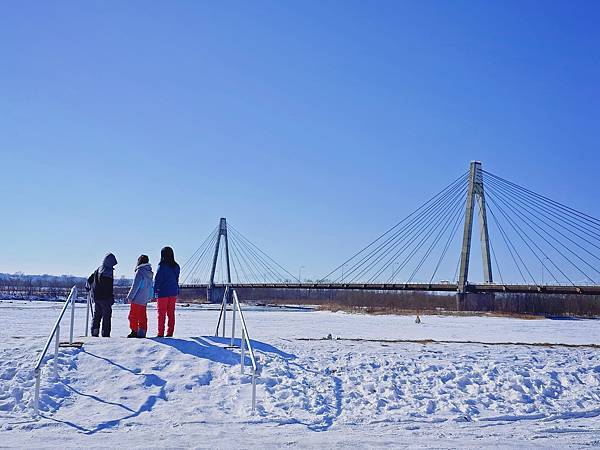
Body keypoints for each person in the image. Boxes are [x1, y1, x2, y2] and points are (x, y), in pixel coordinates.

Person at [86, 253, 118, 337]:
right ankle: (105, 334)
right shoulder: (108, 271)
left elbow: (89, 280)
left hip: (96, 297)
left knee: (97, 315)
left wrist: (88, 288)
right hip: (105, 298)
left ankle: (94, 332)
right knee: (106, 317)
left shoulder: (98, 269)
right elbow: (108, 287)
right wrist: (111, 297)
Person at [154, 246, 180, 337]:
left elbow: (158, 280)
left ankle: (160, 333)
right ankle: (170, 333)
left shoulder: (162, 266)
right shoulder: (176, 266)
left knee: (161, 314)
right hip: (173, 292)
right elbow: (176, 279)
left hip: (163, 293)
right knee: (171, 313)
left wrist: (155, 290)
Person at [125, 255, 154, 338]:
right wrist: (149, 297)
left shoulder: (140, 271)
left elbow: (135, 286)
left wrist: (130, 297)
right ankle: (142, 332)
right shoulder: (150, 273)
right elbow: (151, 286)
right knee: (142, 317)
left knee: (133, 316)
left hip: (137, 298)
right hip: (144, 299)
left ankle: (134, 331)